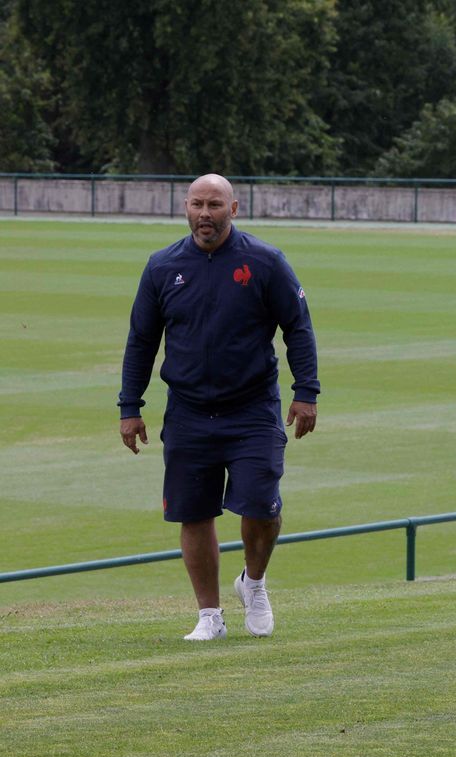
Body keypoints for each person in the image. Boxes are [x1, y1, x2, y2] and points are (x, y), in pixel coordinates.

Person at [118, 174, 320, 641]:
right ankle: (209, 615)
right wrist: (130, 405)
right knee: (194, 512)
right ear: (185, 208)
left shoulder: (265, 262)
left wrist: (306, 392)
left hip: (252, 409)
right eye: (196, 204)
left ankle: (254, 582)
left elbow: (298, 328)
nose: (204, 214)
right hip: (188, 410)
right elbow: (142, 341)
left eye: (214, 205)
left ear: (234, 208)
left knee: (262, 508)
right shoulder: (161, 267)